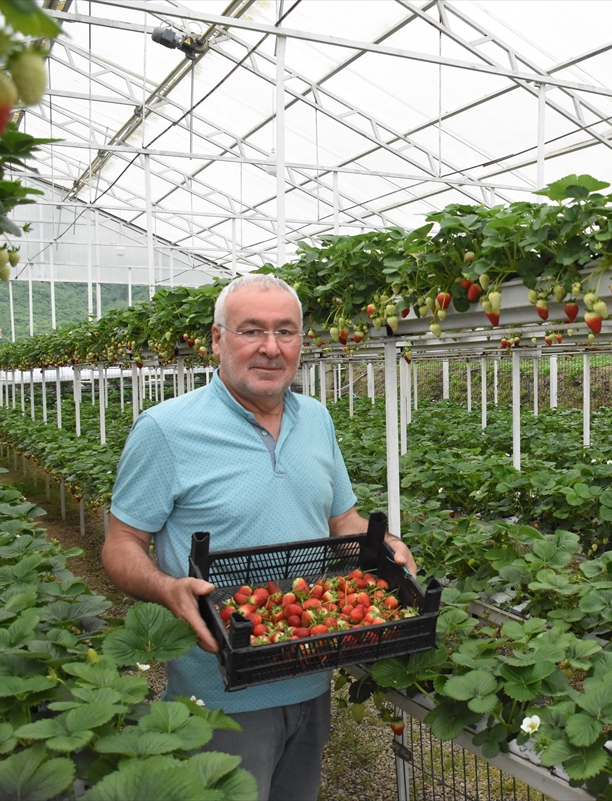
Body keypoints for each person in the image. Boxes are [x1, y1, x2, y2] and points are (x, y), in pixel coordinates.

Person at [102, 273, 416, 801]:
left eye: (286, 332)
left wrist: (380, 544)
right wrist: (167, 588)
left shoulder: (315, 418)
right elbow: (121, 543)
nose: (271, 348)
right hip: (220, 692)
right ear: (218, 340)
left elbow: (342, 523)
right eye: (252, 331)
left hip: (314, 668)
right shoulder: (166, 429)